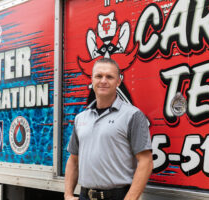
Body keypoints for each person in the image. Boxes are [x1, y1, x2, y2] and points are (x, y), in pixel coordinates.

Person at [64, 58, 153, 200]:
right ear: (92, 80)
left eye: (109, 77)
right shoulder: (80, 118)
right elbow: (73, 160)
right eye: (98, 76)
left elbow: (146, 162)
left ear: (118, 82)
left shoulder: (133, 115)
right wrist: (68, 194)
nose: (103, 81)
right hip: (84, 195)